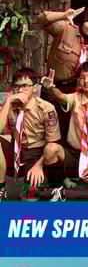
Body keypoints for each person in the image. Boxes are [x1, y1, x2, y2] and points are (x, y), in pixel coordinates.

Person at [41, 61, 88, 201]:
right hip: (74, 154)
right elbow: (61, 97)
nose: (86, 81)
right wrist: (51, 88)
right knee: (51, 150)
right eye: (82, 77)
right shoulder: (75, 98)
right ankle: (59, 185)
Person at [38, 5, 88, 139]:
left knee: (69, 131)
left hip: (77, 93)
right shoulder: (67, 29)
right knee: (49, 128)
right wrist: (63, 15)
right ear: (83, 20)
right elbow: (42, 20)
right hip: (53, 87)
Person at [0, 69, 59, 201]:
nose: (20, 90)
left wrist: (39, 165)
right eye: (16, 86)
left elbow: (52, 144)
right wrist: (8, 101)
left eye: (24, 86)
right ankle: (1, 188)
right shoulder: (10, 105)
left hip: (36, 154)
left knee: (31, 196)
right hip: (16, 151)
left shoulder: (46, 108)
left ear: (35, 88)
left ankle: (46, 186)